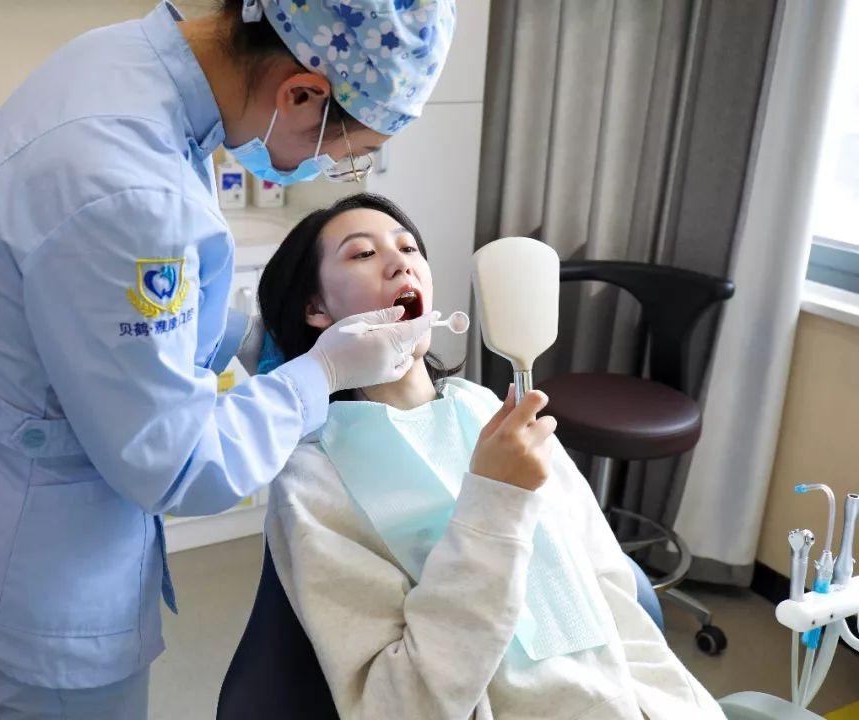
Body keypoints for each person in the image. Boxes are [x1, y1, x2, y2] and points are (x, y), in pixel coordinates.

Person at [0, 2, 455, 717]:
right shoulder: (127, 185)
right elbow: (179, 462)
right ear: (301, 94)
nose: (333, 168)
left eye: (407, 247)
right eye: (347, 152)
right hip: (29, 556)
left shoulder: (124, 66)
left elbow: (115, 305)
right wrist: (321, 374)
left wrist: (247, 338)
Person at [257, 193, 726, 720]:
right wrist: (495, 501)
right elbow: (400, 705)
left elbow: (607, 585)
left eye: (409, 248)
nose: (400, 263)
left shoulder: (489, 411)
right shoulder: (313, 477)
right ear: (316, 310)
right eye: (363, 254)